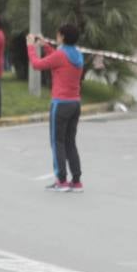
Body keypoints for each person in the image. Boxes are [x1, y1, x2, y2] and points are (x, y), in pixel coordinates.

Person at [29, 26, 85, 192]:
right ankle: (76, 181)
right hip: (75, 103)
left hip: (60, 104)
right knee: (70, 143)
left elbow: (37, 65)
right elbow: (57, 57)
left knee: (57, 143)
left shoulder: (61, 55)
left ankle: (61, 180)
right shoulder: (77, 54)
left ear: (62, 36)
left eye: (58, 34)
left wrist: (30, 46)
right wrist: (45, 45)